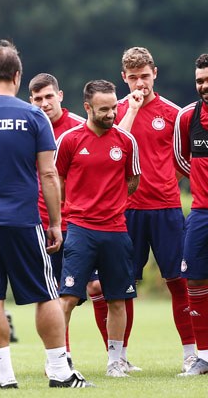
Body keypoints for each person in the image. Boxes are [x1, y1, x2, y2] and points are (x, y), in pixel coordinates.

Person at [0, 40, 92, 389]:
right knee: (46, 294)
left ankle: (5, 375)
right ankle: (59, 372)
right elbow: (48, 173)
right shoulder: (33, 116)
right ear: (16, 76)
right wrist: (55, 222)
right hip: (21, 220)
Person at [89, 47, 196, 373]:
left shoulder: (174, 113)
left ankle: (191, 354)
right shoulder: (117, 111)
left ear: (155, 73)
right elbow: (109, 147)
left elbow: (186, 158)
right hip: (127, 211)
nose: (140, 83)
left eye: (145, 76)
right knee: (122, 287)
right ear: (124, 77)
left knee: (179, 282)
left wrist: (164, 180)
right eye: (133, 77)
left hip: (166, 209)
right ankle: (120, 357)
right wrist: (132, 111)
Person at [56, 79, 140, 378]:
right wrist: (78, 204)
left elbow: (133, 180)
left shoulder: (126, 141)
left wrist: (111, 201)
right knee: (68, 298)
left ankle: (116, 362)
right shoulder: (69, 140)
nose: (111, 114)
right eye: (104, 109)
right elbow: (57, 180)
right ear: (88, 107)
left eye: (114, 107)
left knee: (117, 298)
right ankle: (58, 360)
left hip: (116, 230)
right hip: (80, 230)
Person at [28, 73, 84, 370]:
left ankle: (117, 358)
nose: (44, 103)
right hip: (41, 225)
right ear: (31, 101)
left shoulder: (79, 126)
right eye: (38, 99)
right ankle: (62, 356)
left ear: (60, 95)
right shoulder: (27, 130)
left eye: (49, 96)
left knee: (99, 289)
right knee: (53, 294)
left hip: (79, 222)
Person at [174, 53, 208, 376]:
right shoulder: (188, 117)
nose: (204, 85)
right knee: (194, 278)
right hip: (200, 211)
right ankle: (205, 357)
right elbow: (181, 160)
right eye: (200, 80)